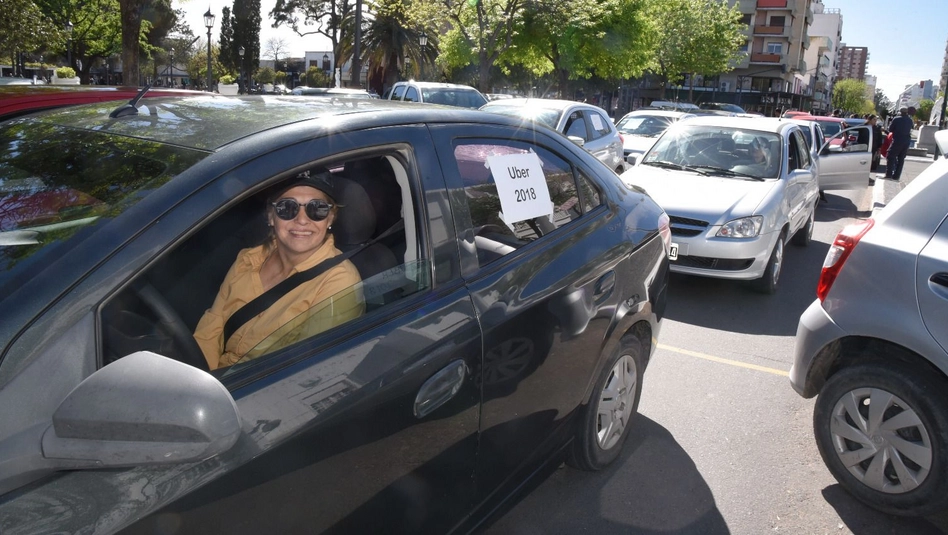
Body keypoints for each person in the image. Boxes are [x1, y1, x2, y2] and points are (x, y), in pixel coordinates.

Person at [193, 170, 363, 370]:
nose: (302, 220)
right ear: (271, 216)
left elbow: (309, 370)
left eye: (317, 209)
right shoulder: (248, 259)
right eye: (287, 208)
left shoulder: (339, 282)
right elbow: (211, 328)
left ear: (330, 218)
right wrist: (198, 378)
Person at [884, 107, 914, 180]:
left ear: (900, 112)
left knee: (890, 156)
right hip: (906, 141)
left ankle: (889, 174)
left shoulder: (896, 119)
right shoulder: (910, 120)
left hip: (897, 140)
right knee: (901, 159)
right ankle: (896, 176)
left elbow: (890, 129)